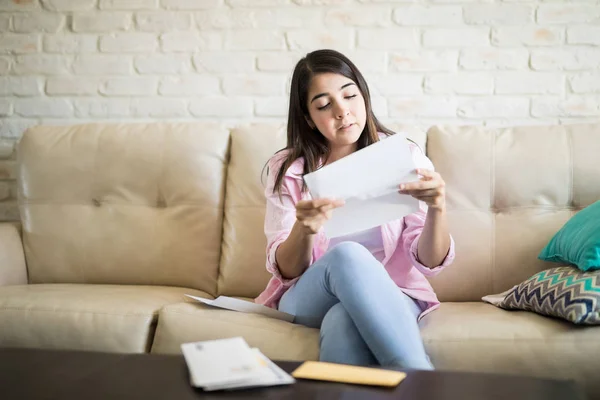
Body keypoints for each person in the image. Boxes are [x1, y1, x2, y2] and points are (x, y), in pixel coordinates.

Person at [255, 49, 455, 370]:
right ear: (308, 117)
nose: (342, 111)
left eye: (350, 96)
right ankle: (421, 381)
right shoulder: (289, 169)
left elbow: (430, 261)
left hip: (393, 292)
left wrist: (437, 209)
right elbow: (286, 270)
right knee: (348, 254)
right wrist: (303, 230)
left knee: (342, 319)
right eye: (324, 104)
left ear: (364, 97)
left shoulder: (404, 156)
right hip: (309, 294)